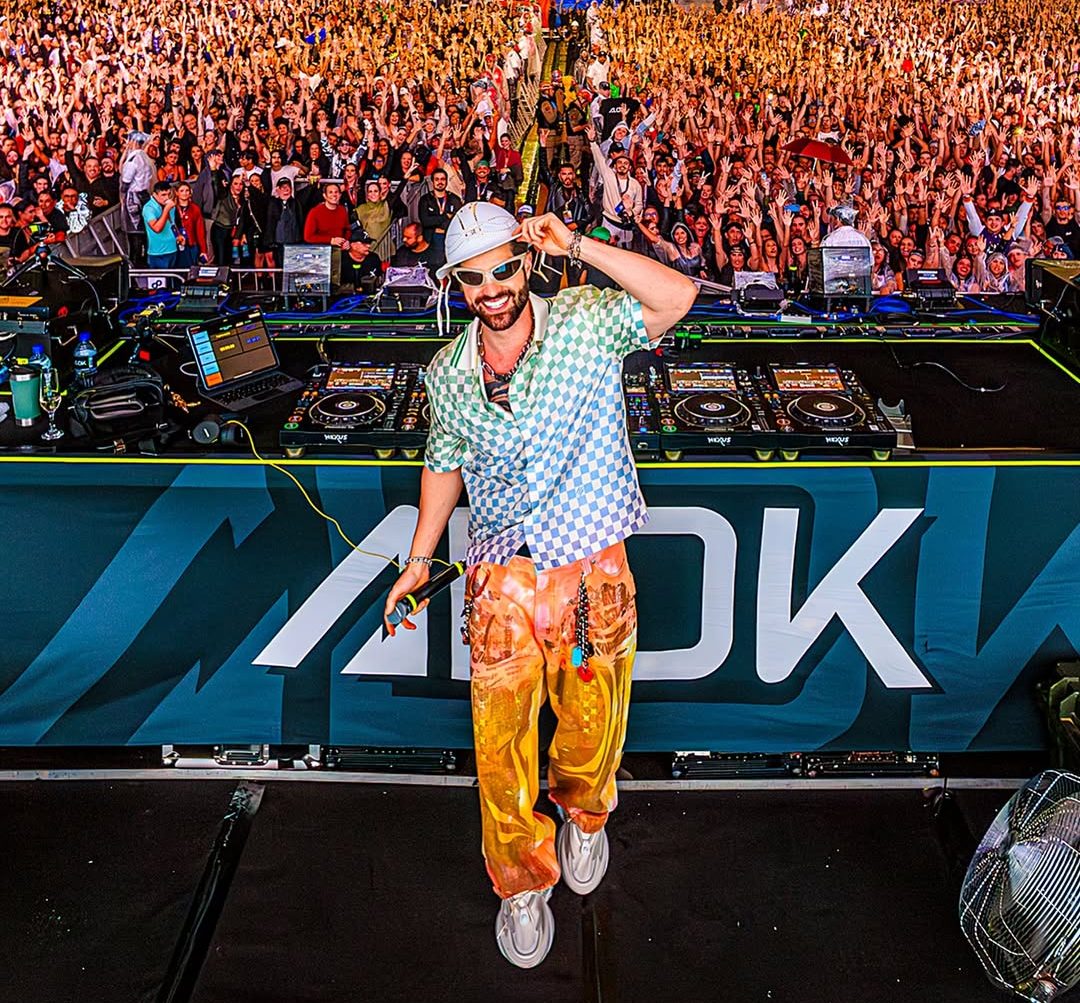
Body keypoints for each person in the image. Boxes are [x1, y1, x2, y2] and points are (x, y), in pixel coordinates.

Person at [383, 202, 697, 969]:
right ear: (456, 285)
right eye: (473, 278)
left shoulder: (586, 321)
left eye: (502, 268)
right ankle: (521, 880)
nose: (491, 287)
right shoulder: (447, 373)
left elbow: (678, 296)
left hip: (591, 579)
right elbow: (443, 463)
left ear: (525, 263)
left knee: (592, 722)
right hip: (502, 584)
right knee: (499, 745)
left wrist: (578, 243)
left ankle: (585, 819)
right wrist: (419, 560)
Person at [142, 181, 179, 268]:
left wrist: (178, 235)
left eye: (169, 194)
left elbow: (172, 223)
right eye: (163, 195)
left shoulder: (170, 205)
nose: (167, 198)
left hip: (172, 249)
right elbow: (157, 228)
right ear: (155, 195)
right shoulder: (149, 208)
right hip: (158, 252)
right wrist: (166, 209)